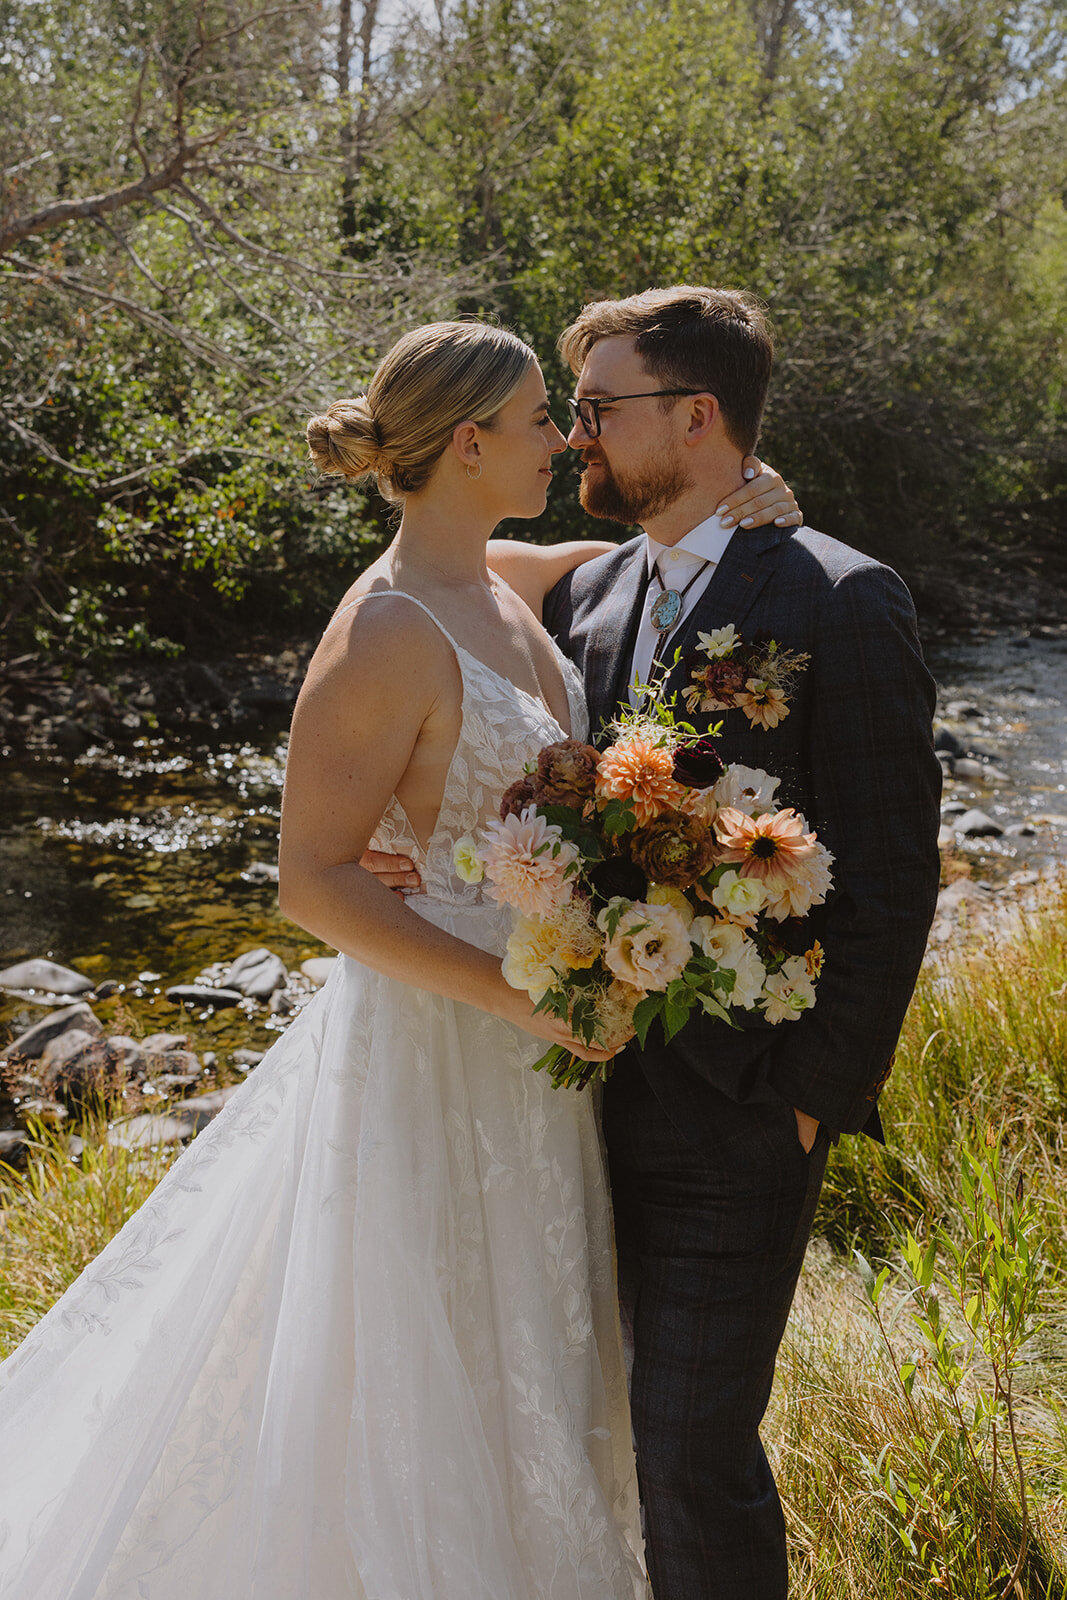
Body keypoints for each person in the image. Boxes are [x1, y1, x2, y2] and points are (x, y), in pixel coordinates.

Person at [0, 318, 794, 1600]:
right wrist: (517, 997)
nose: (566, 437)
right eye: (546, 419)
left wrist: (757, 497)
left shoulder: (507, 577)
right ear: (471, 441)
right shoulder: (382, 630)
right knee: (420, 1369)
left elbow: (645, 556)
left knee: (529, 1351)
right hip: (439, 1036)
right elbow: (306, 879)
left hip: (535, 1047)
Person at [370, 287, 942, 1599]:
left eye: (595, 410)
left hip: (736, 1111)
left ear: (693, 418)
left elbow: (893, 876)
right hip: (553, 1100)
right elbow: (426, 602)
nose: (572, 439)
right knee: (577, 1443)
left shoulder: (840, 599)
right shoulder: (583, 593)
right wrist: (414, 838)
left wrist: (808, 1098)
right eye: (564, 414)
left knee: (691, 1453)